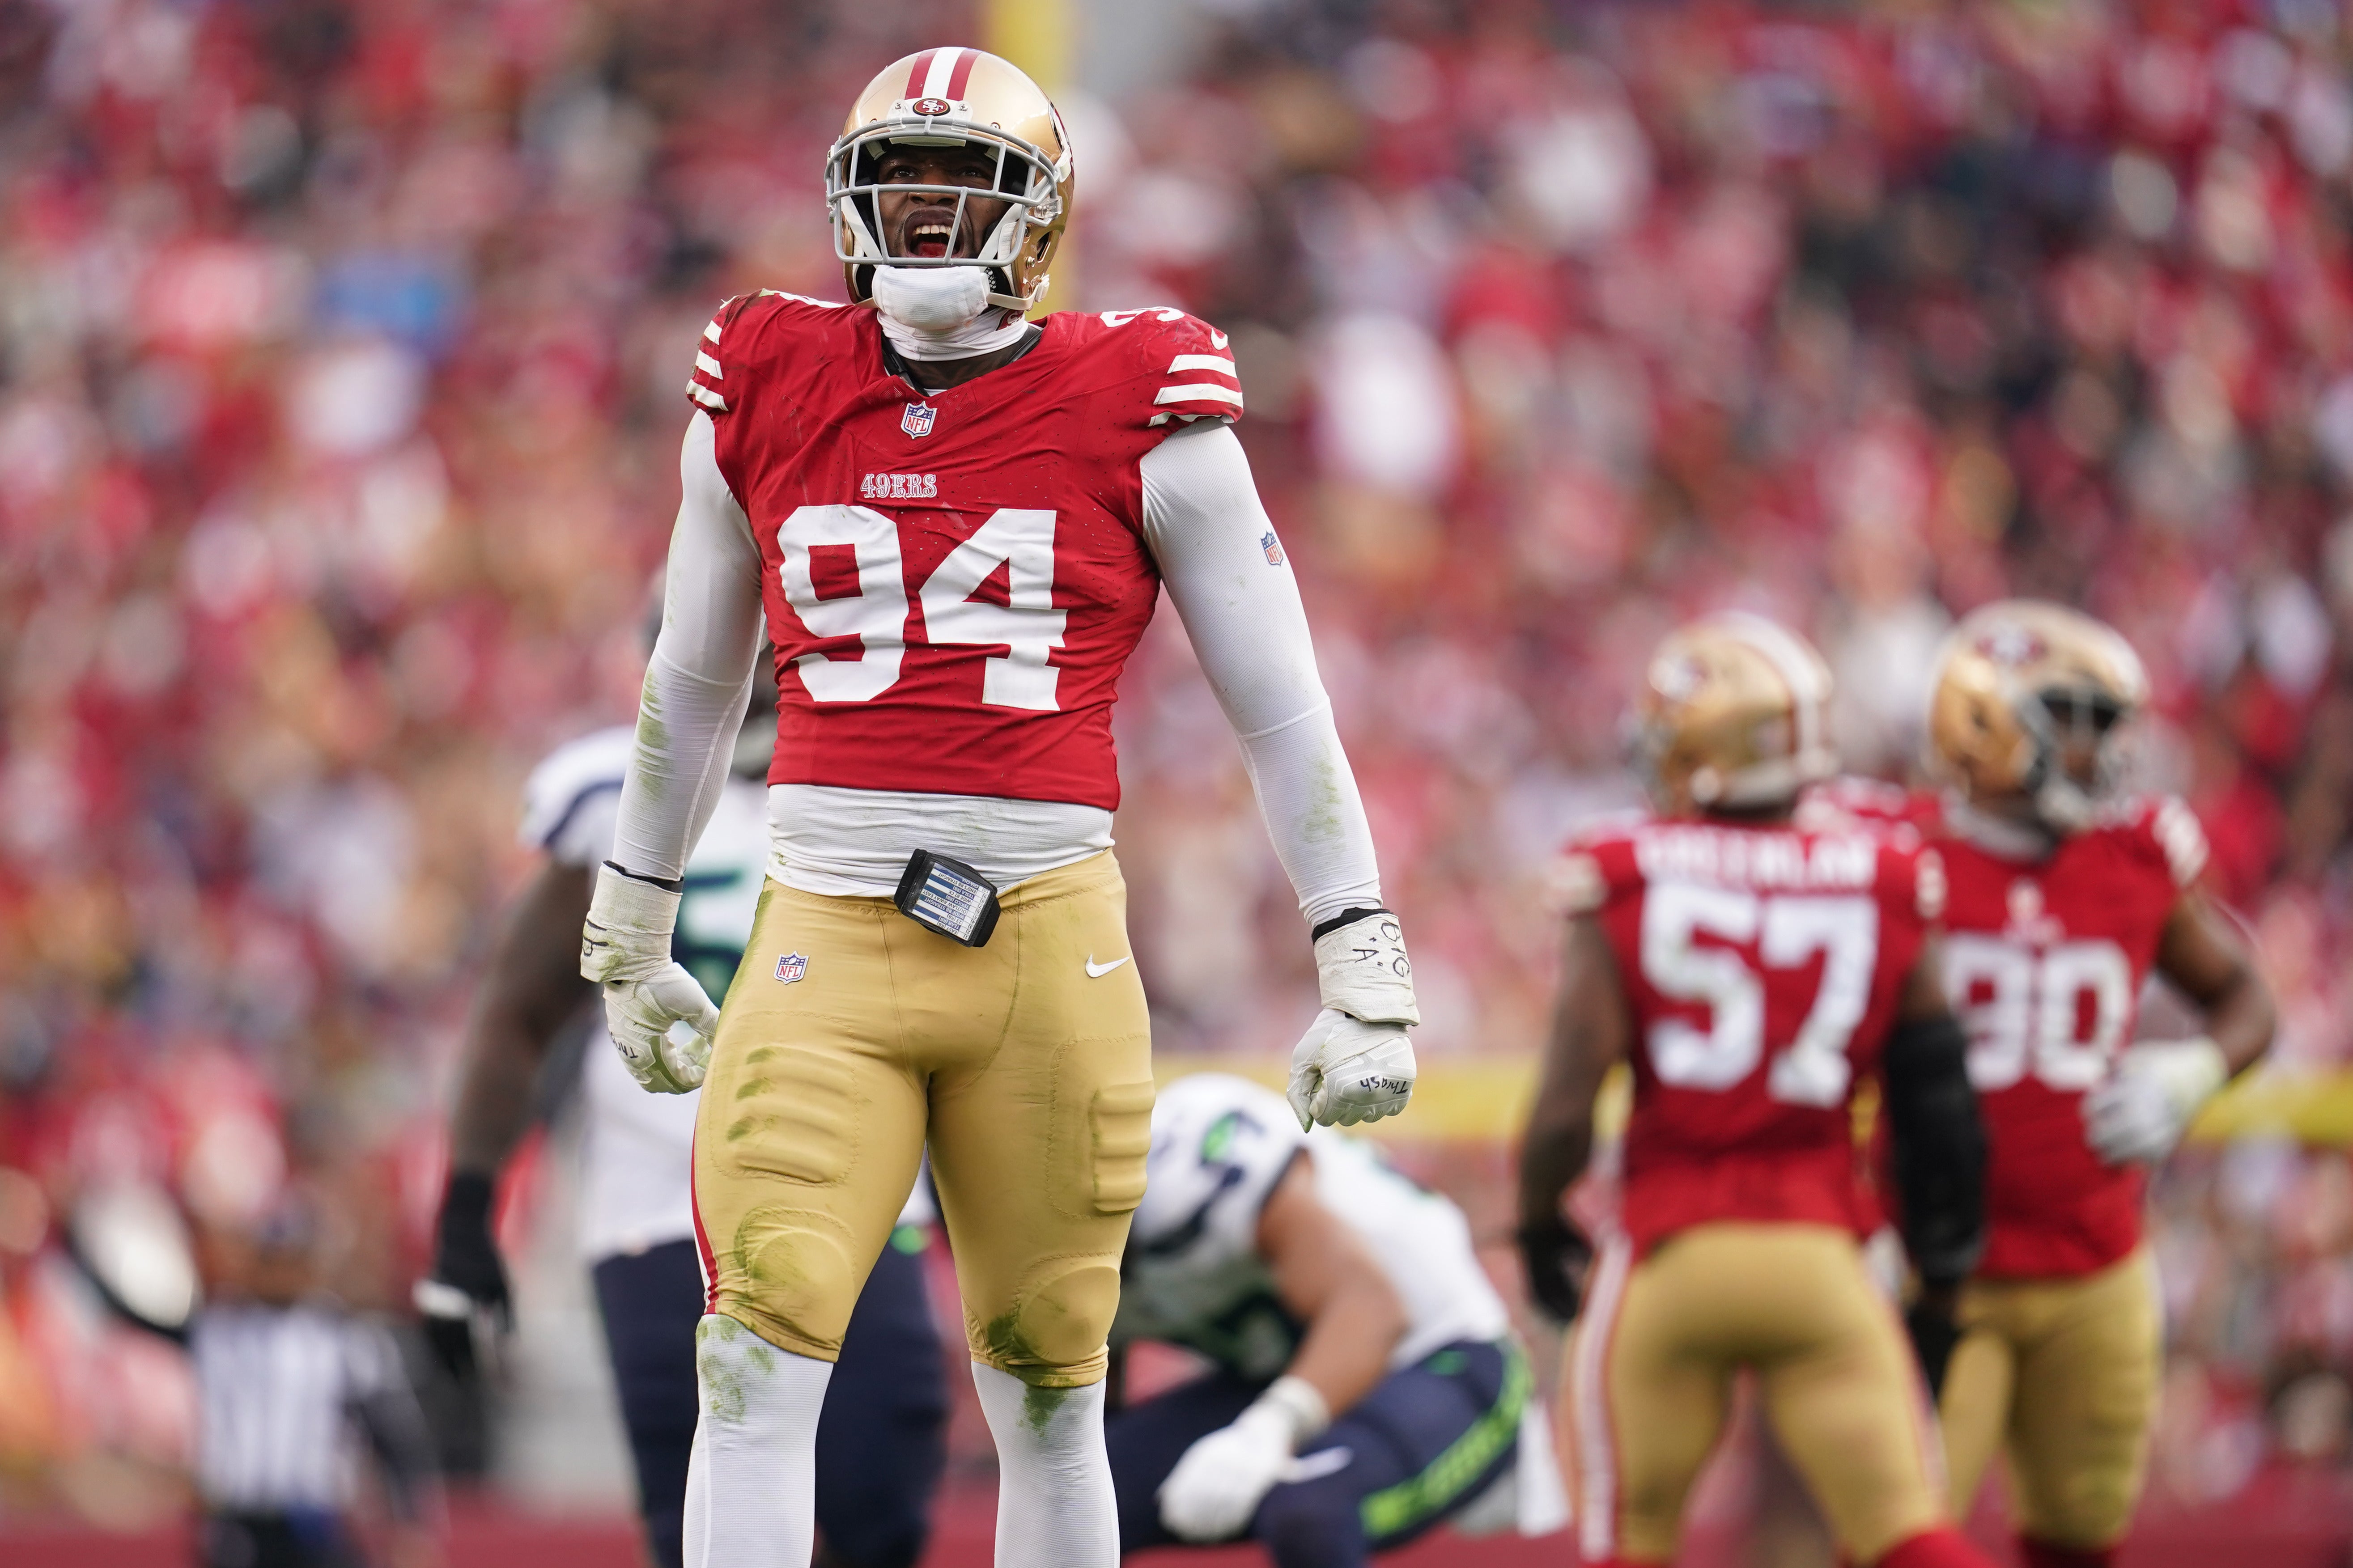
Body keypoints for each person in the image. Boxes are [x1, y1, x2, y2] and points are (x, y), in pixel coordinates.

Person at [573, 47, 1422, 1568]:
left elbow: (1280, 705)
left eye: (968, 181)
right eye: (902, 180)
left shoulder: (1141, 392)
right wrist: (632, 914)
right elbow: (691, 678)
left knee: (1048, 1394)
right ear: (850, 199)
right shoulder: (765, 370)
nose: (930, 213)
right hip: (823, 926)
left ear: (1034, 213)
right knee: (752, 1363)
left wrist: (1360, 951)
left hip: (1047, 939)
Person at [414, 675, 947, 1568]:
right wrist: (464, 1215)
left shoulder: (889, 782)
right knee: (695, 1524)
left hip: (862, 1193)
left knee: (879, 1500)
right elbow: (517, 1010)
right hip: (662, 1203)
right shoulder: (613, 792)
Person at [1515, 614, 1994, 1568]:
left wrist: (1536, 1223)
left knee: (1630, 1543)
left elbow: (1567, 1101)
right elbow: (1939, 1116)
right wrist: (1939, 1278)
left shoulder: (1628, 869)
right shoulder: (1889, 873)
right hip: (1819, 1257)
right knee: (1910, 1534)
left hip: (1667, 1251)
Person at [1830, 601, 2275, 1568]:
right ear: (1984, 727)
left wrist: (2192, 1070)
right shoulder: (1893, 855)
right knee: (1897, 1541)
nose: (2098, 756)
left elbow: (2246, 1000)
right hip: (1940, 1272)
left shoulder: (2133, 859)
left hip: (2095, 1268)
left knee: (2079, 1542)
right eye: (2072, 729)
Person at [1104, 1072, 1566, 1567]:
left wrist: (1264, 1431)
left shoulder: (1195, 1164)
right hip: (1282, 1371)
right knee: (1072, 1495)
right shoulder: (1029, 1241)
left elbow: (1369, 1306)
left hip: (1437, 1351)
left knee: (1309, 1511)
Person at [191, 1201, 441, 1568]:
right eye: (273, 1260)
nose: (284, 1272)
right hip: (235, 1517)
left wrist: (410, 1524)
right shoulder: (216, 1332)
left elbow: (392, 1434)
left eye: (294, 1260)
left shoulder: (345, 1340)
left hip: (315, 1518)